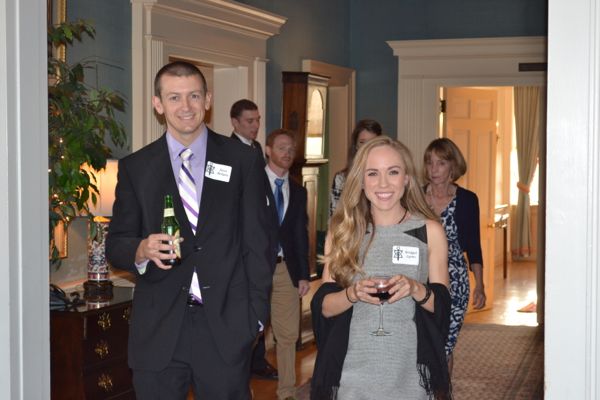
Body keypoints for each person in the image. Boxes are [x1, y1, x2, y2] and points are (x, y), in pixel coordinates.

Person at [106, 61, 272, 400]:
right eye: (174, 97)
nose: (186, 106)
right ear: (158, 104)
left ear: (207, 100)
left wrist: (255, 318)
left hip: (226, 327)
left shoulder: (243, 160)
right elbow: (116, 244)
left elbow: (259, 244)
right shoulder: (136, 168)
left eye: (194, 96)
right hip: (159, 331)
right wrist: (141, 249)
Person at [311, 136, 452, 400]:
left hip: (409, 374)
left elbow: (443, 306)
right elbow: (324, 307)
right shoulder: (343, 232)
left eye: (393, 172)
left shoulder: (429, 231)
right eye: (373, 173)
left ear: (407, 178)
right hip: (352, 375)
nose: (383, 183)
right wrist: (353, 294)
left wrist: (416, 288)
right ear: (361, 181)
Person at [422, 137, 487, 375]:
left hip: (455, 282)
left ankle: (442, 391)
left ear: (453, 165)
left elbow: (473, 246)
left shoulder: (467, 200)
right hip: (420, 280)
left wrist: (479, 284)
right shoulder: (415, 197)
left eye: (441, 163)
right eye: (430, 163)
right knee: (424, 346)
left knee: (444, 346)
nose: (434, 169)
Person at [230, 98, 279, 381]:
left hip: (262, 234)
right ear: (235, 122)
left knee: (260, 301)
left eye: (257, 120)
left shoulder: (257, 148)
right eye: (249, 121)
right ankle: (243, 363)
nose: (256, 125)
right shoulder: (228, 151)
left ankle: (257, 360)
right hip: (243, 240)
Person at [264, 129, 310, 400]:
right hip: (254, 270)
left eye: (291, 149)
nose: (287, 153)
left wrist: (303, 274)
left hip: (286, 270)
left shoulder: (299, 191)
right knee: (248, 334)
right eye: (281, 147)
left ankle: (287, 392)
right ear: (268, 150)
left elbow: (300, 234)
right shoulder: (252, 184)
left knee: (288, 334)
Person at [329, 119, 383, 217]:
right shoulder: (341, 179)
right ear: (356, 146)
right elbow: (334, 216)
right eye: (362, 142)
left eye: (372, 143)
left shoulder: (387, 178)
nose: (367, 147)